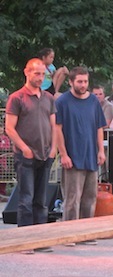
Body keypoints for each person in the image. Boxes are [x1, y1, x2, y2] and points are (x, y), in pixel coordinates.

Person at [5, 58, 56, 254]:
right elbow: (9, 128)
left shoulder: (49, 98)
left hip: (45, 154)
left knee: (41, 200)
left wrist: (54, 148)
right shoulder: (17, 98)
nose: (40, 77)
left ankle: (40, 239)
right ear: (26, 72)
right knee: (26, 198)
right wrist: (24, 147)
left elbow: (54, 126)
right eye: (36, 73)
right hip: (25, 155)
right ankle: (24, 242)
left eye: (43, 74)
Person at [55, 66, 106, 246]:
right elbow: (57, 129)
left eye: (85, 81)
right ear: (71, 82)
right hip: (72, 155)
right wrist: (63, 154)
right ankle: (70, 234)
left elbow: (99, 127)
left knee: (90, 197)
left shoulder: (93, 101)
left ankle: (86, 233)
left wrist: (101, 151)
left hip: (91, 155)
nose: (83, 85)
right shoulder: (62, 102)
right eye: (79, 81)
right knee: (72, 198)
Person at [0, 123, 12, 199]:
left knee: (3, 178)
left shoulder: (6, 138)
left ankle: (2, 194)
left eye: (1, 128)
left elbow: (7, 147)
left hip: (4, 162)